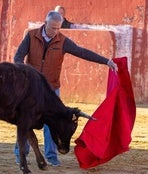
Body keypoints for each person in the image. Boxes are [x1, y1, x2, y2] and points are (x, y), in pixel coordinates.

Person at [13, 11, 118, 166]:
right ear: (45, 22)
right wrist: (26, 74)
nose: (54, 31)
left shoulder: (62, 41)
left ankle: (52, 157)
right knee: (26, 121)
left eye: (57, 28)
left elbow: (82, 52)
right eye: (52, 27)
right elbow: (18, 57)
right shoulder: (31, 35)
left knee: (53, 123)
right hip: (31, 89)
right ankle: (21, 155)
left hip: (51, 89)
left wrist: (106, 61)